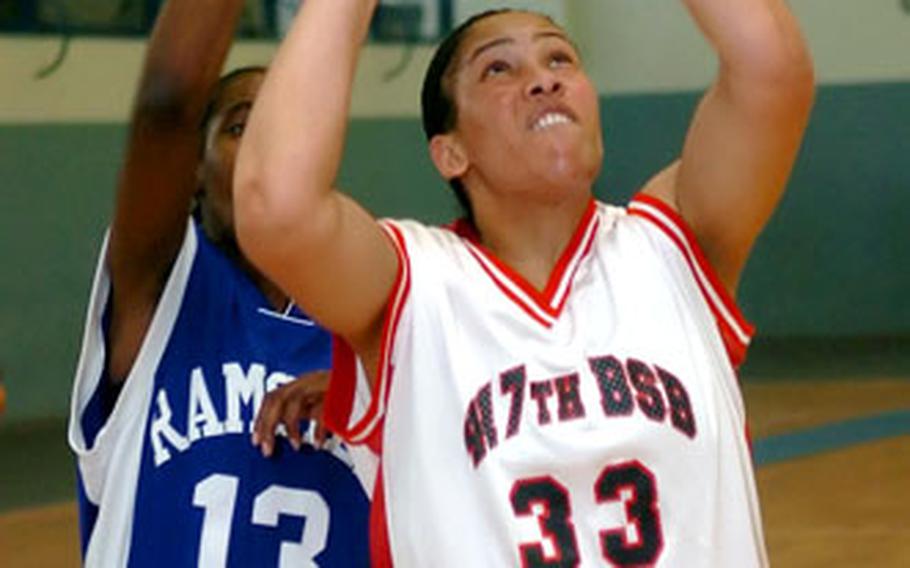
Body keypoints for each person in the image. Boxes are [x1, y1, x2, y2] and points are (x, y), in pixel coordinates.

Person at [235, 0, 814, 565]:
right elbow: (276, 206)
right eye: (498, 68)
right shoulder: (414, 285)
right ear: (450, 153)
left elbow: (771, 67)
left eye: (559, 59)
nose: (543, 81)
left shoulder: (673, 242)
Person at [66, 0, 370, 565]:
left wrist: (370, 393)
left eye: (288, 124)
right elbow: (168, 103)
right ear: (193, 173)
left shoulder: (368, 317)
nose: (266, 144)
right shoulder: (163, 289)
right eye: (239, 126)